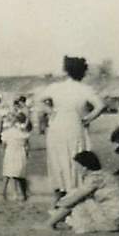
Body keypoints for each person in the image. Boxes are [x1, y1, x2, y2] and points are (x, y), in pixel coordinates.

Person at [39, 56, 106, 206]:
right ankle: (75, 199)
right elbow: (100, 106)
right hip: (75, 126)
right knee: (76, 160)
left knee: (58, 162)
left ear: (66, 71)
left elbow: (39, 100)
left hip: (57, 126)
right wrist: (87, 119)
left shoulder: (55, 87)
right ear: (82, 72)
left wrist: (51, 111)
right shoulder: (84, 89)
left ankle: (58, 202)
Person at [43, 151, 119, 233]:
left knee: (76, 198)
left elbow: (75, 198)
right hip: (115, 219)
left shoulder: (95, 178)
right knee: (77, 197)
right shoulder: (103, 175)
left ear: (85, 168)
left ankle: (49, 224)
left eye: (77, 167)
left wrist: (58, 205)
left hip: (110, 221)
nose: (76, 170)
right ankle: (52, 223)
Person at [1, 112, 31, 201]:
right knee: (20, 174)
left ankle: (5, 192)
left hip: (10, 152)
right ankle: (23, 194)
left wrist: (3, 153)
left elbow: (3, 144)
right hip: (20, 152)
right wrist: (27, 153)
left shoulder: (7, 132)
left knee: (7, 173)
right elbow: (27, 145)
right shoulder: (23, 133)